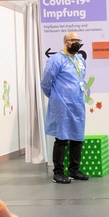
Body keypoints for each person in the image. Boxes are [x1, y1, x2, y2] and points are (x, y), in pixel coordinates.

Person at [40, 32, 89, 184]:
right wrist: (55, 97)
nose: (76, 42)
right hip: (61, 103)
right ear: (65, 42)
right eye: (73, 40)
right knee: (61, 138)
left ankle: (74, 170)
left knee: (77, 137)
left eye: (78, 40)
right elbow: (46, 82)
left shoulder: (80, 59)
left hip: (77, 102)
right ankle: (58, 173)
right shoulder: (56, 59)